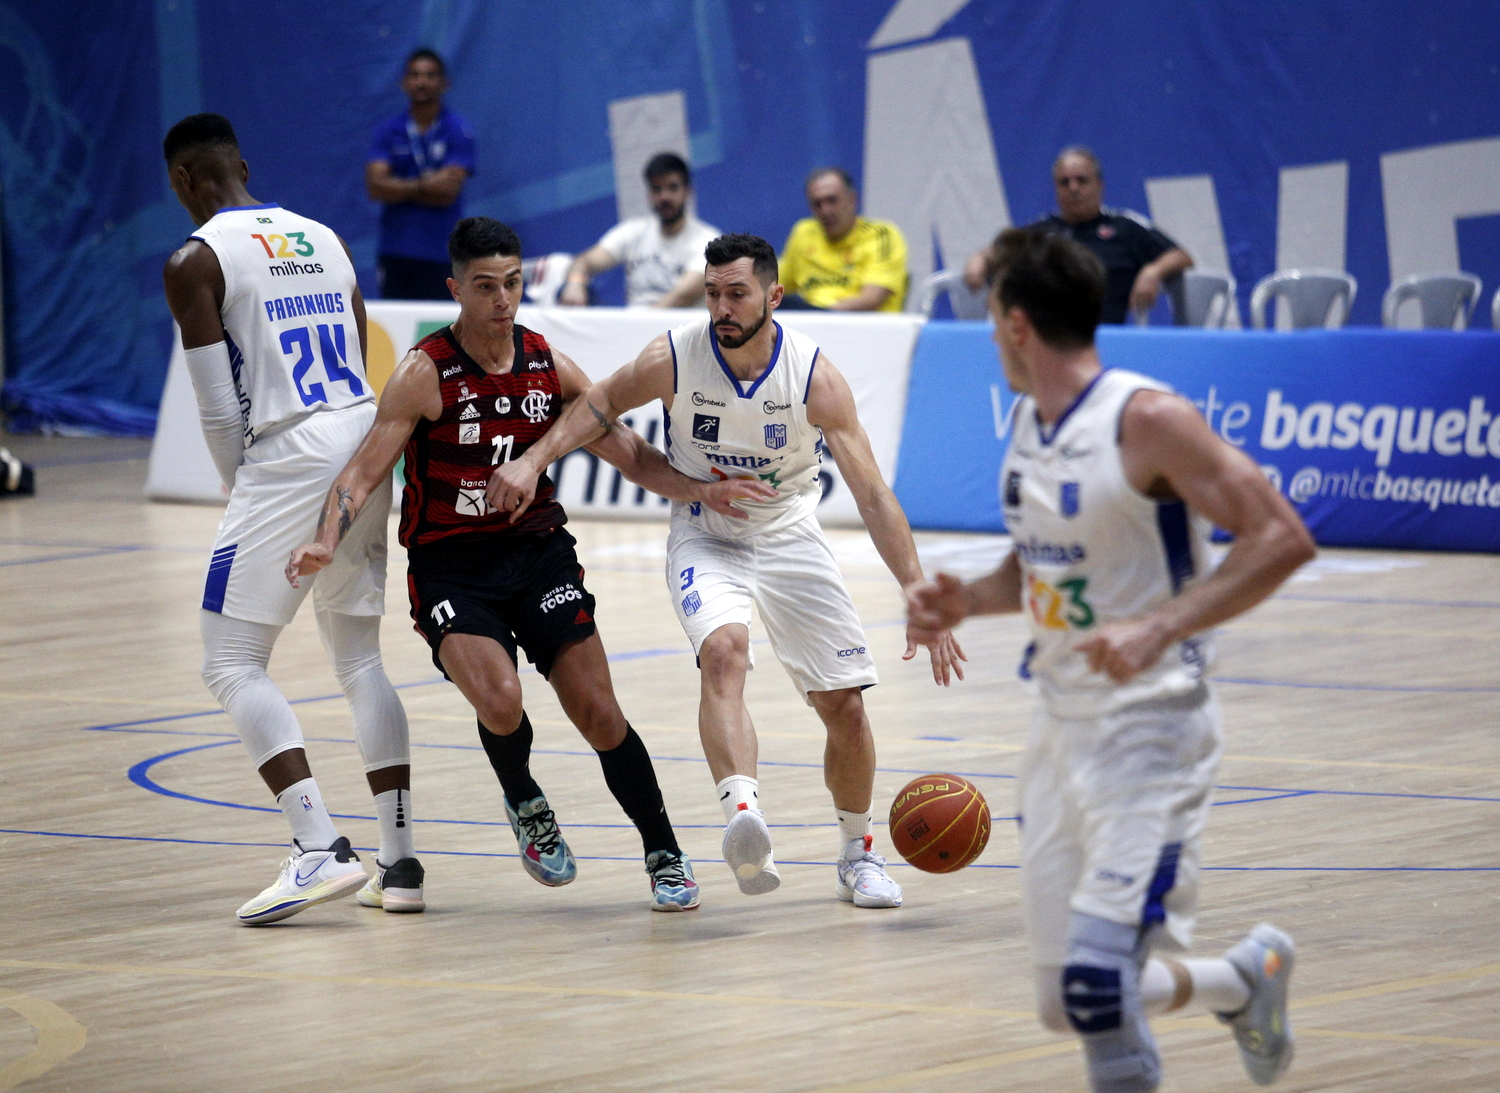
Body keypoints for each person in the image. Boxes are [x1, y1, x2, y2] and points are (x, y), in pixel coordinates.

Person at [909, 226, 1315, 1092]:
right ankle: (1243, 979)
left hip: (1153, 731)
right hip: (1059, 729)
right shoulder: (1027, 421)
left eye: (991, 320)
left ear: (1017, 324)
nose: (988, 338)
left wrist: (1161, 626)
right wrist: (969, 600)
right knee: (1067, 998)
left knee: (1099, 986)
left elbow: (1281, 537)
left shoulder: (1149, 419)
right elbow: (1043, 563)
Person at [286, 217, 775, 912]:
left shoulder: (547, 364)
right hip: (450, 565)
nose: (502, 299)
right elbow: (363, 473)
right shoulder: (426, 371)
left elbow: (630, 452)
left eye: (512, 283)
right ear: (456, 288)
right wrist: (325, 540)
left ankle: (663, 846)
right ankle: (525, 798)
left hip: (537, 554)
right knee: (501, 699)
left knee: (600, 713)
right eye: (485, 286)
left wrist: (702, 489)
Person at [490, 233, 965, 909]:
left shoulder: (813, 376)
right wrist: (535, 461)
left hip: (788, 533)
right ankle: (744, 814)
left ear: (774, 295)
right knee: (724, 652)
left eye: (736, 293)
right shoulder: (673, 356)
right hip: (705, 532)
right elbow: (596, 406)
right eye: (712, 293)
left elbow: (872, 494)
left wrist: (917, 589)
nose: (721, 307)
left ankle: (857, 852)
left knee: (847, 710)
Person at [162, 113, 419, 924]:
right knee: (358, 660)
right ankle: (400, 862)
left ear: (182, 183)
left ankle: (317, 848)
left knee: (230, 659)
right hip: (362, 435)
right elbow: (356, 344)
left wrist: (250, 490)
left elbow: (214, 407)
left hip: (288, 451)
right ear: (241, 162)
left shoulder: (194, 259)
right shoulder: (325, 236)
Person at [964, 147, 1193, 325]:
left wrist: (1153, 271)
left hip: (1108, 336)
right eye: (1065, 182)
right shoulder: (1041, 230)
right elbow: (997, 252)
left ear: (1099, 186)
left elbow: (1181, 256)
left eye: (1081, 180)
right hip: (1049, 339)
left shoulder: (1124, 227)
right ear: (1056, 190)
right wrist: (979, 259)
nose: (1073, 188)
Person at [366, 48, 476, 300]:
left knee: (441, 332)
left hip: (441, 251)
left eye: (430, 75)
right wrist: (425, 185)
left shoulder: (458, 130)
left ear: (444, 83)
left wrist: (397, 188)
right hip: (396, 249)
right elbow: (375, 187)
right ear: (404, 82)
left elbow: (446, 193)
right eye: (415, 75)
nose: (422, 81)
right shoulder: (387, 130)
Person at [559, 153, 720, 308]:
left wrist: (631, 327)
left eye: (672, 188)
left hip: (678, 331)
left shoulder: (709, 243)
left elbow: (681, 298)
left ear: (688, 192)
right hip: (632, 326)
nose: (664, 197)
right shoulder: (632, 232)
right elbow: (584, 261)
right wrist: (575, 281)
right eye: (657, 189)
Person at [778, 168, 908, 312]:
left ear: (852, 200)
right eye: (817, 203)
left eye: (832, 200)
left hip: (865, 328)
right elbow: (776, 284)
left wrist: (822, 316)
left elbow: (870, 300)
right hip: (812, 325)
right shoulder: (804, 232)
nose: (825, 211)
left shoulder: (882, 235)